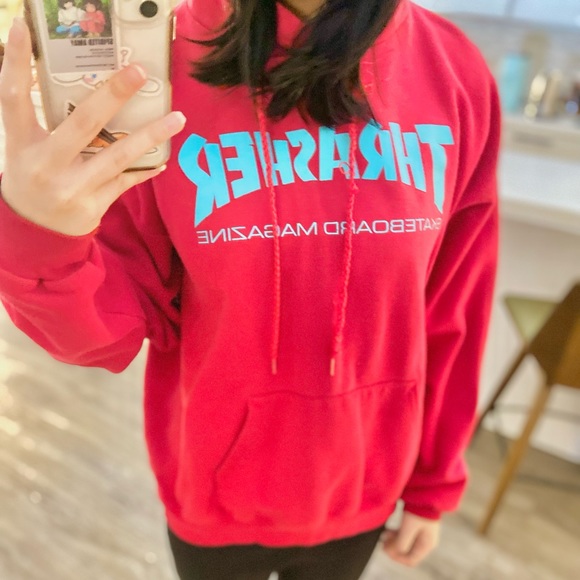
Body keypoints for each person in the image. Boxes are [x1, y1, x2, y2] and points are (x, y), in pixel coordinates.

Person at [0, 0, 500, 578]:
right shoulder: (157, 64)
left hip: (363, 489)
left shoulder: (453, 71)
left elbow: (454, 311)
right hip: (216, 493)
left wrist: (434, 483)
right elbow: (107, 334)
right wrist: (40, 239)